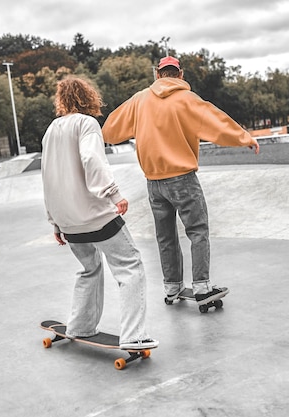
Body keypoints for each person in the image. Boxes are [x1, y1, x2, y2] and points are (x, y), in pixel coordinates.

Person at [102, 56, 260, 305]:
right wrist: (243, 138)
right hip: (182, 180)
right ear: (180, 74)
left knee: (165, 236)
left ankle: (172, 288)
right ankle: (201, 287)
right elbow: (216, 122)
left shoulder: (139, 100)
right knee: (197, 231)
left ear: (157, 74)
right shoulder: (187, 99)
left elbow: (111, 128)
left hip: (153, 182)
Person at [41, 77, 158, 350]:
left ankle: (80, 326)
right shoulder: (86, 123)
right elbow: (92, 159)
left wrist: (55, 222)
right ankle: (134, 335)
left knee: (89, 268)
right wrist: (114, 194)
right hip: (95, 217)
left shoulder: (50, 131)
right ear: (89, 97)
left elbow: (48, 178)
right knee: (130, 266)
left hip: (68, 222)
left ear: (61, 101)